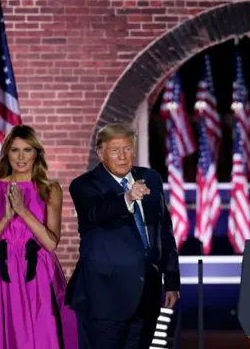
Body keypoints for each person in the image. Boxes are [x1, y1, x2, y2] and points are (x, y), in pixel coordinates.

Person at [65, 123, 181, 349]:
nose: (122, 157)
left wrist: (172, 281)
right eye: (115, 150)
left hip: (146, 295)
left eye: (127, 149)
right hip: (103, 298)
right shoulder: (83, 185)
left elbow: (164, 232)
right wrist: (127, 198)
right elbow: (95, 215)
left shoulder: (151, 179)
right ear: (100, 153)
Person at [0, 125, 78, 348]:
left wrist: (22, 211)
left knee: (40, 336)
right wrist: (5, 218)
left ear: (36, 153)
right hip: (2, 273)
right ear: (7, 153)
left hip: (38, 272)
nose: (21, 157)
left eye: (27, 150)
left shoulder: (50, 189)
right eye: (15, 150)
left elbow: (50, 242)